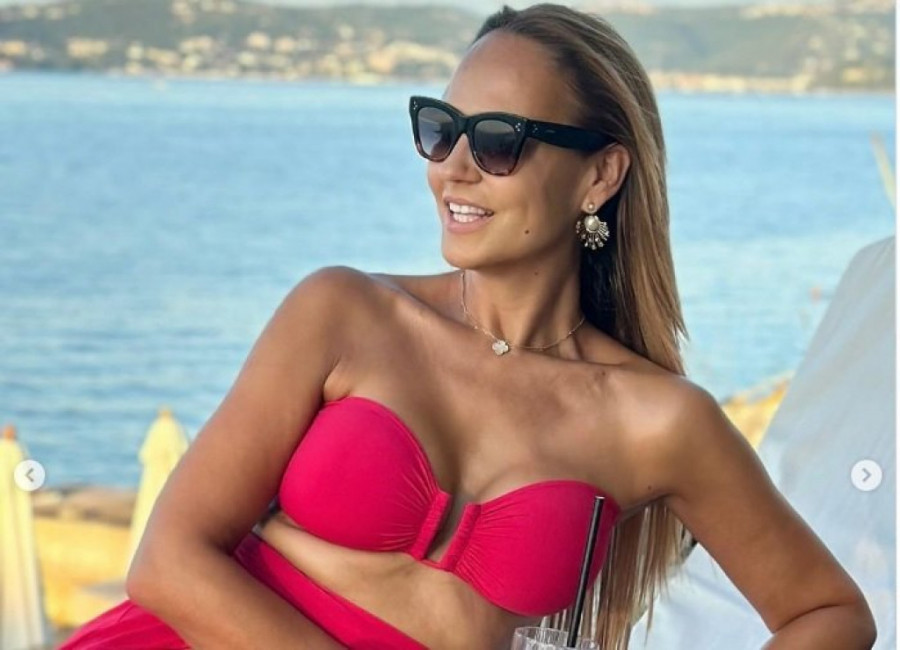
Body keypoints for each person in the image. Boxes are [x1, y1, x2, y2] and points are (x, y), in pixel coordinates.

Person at [60, 3, 876, 650]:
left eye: (497, 141)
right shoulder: (344, 312)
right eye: (440, 129)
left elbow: (830, 614)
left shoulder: (658, 421)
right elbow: (167, 562)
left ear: (599, 174)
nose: (452, 167)